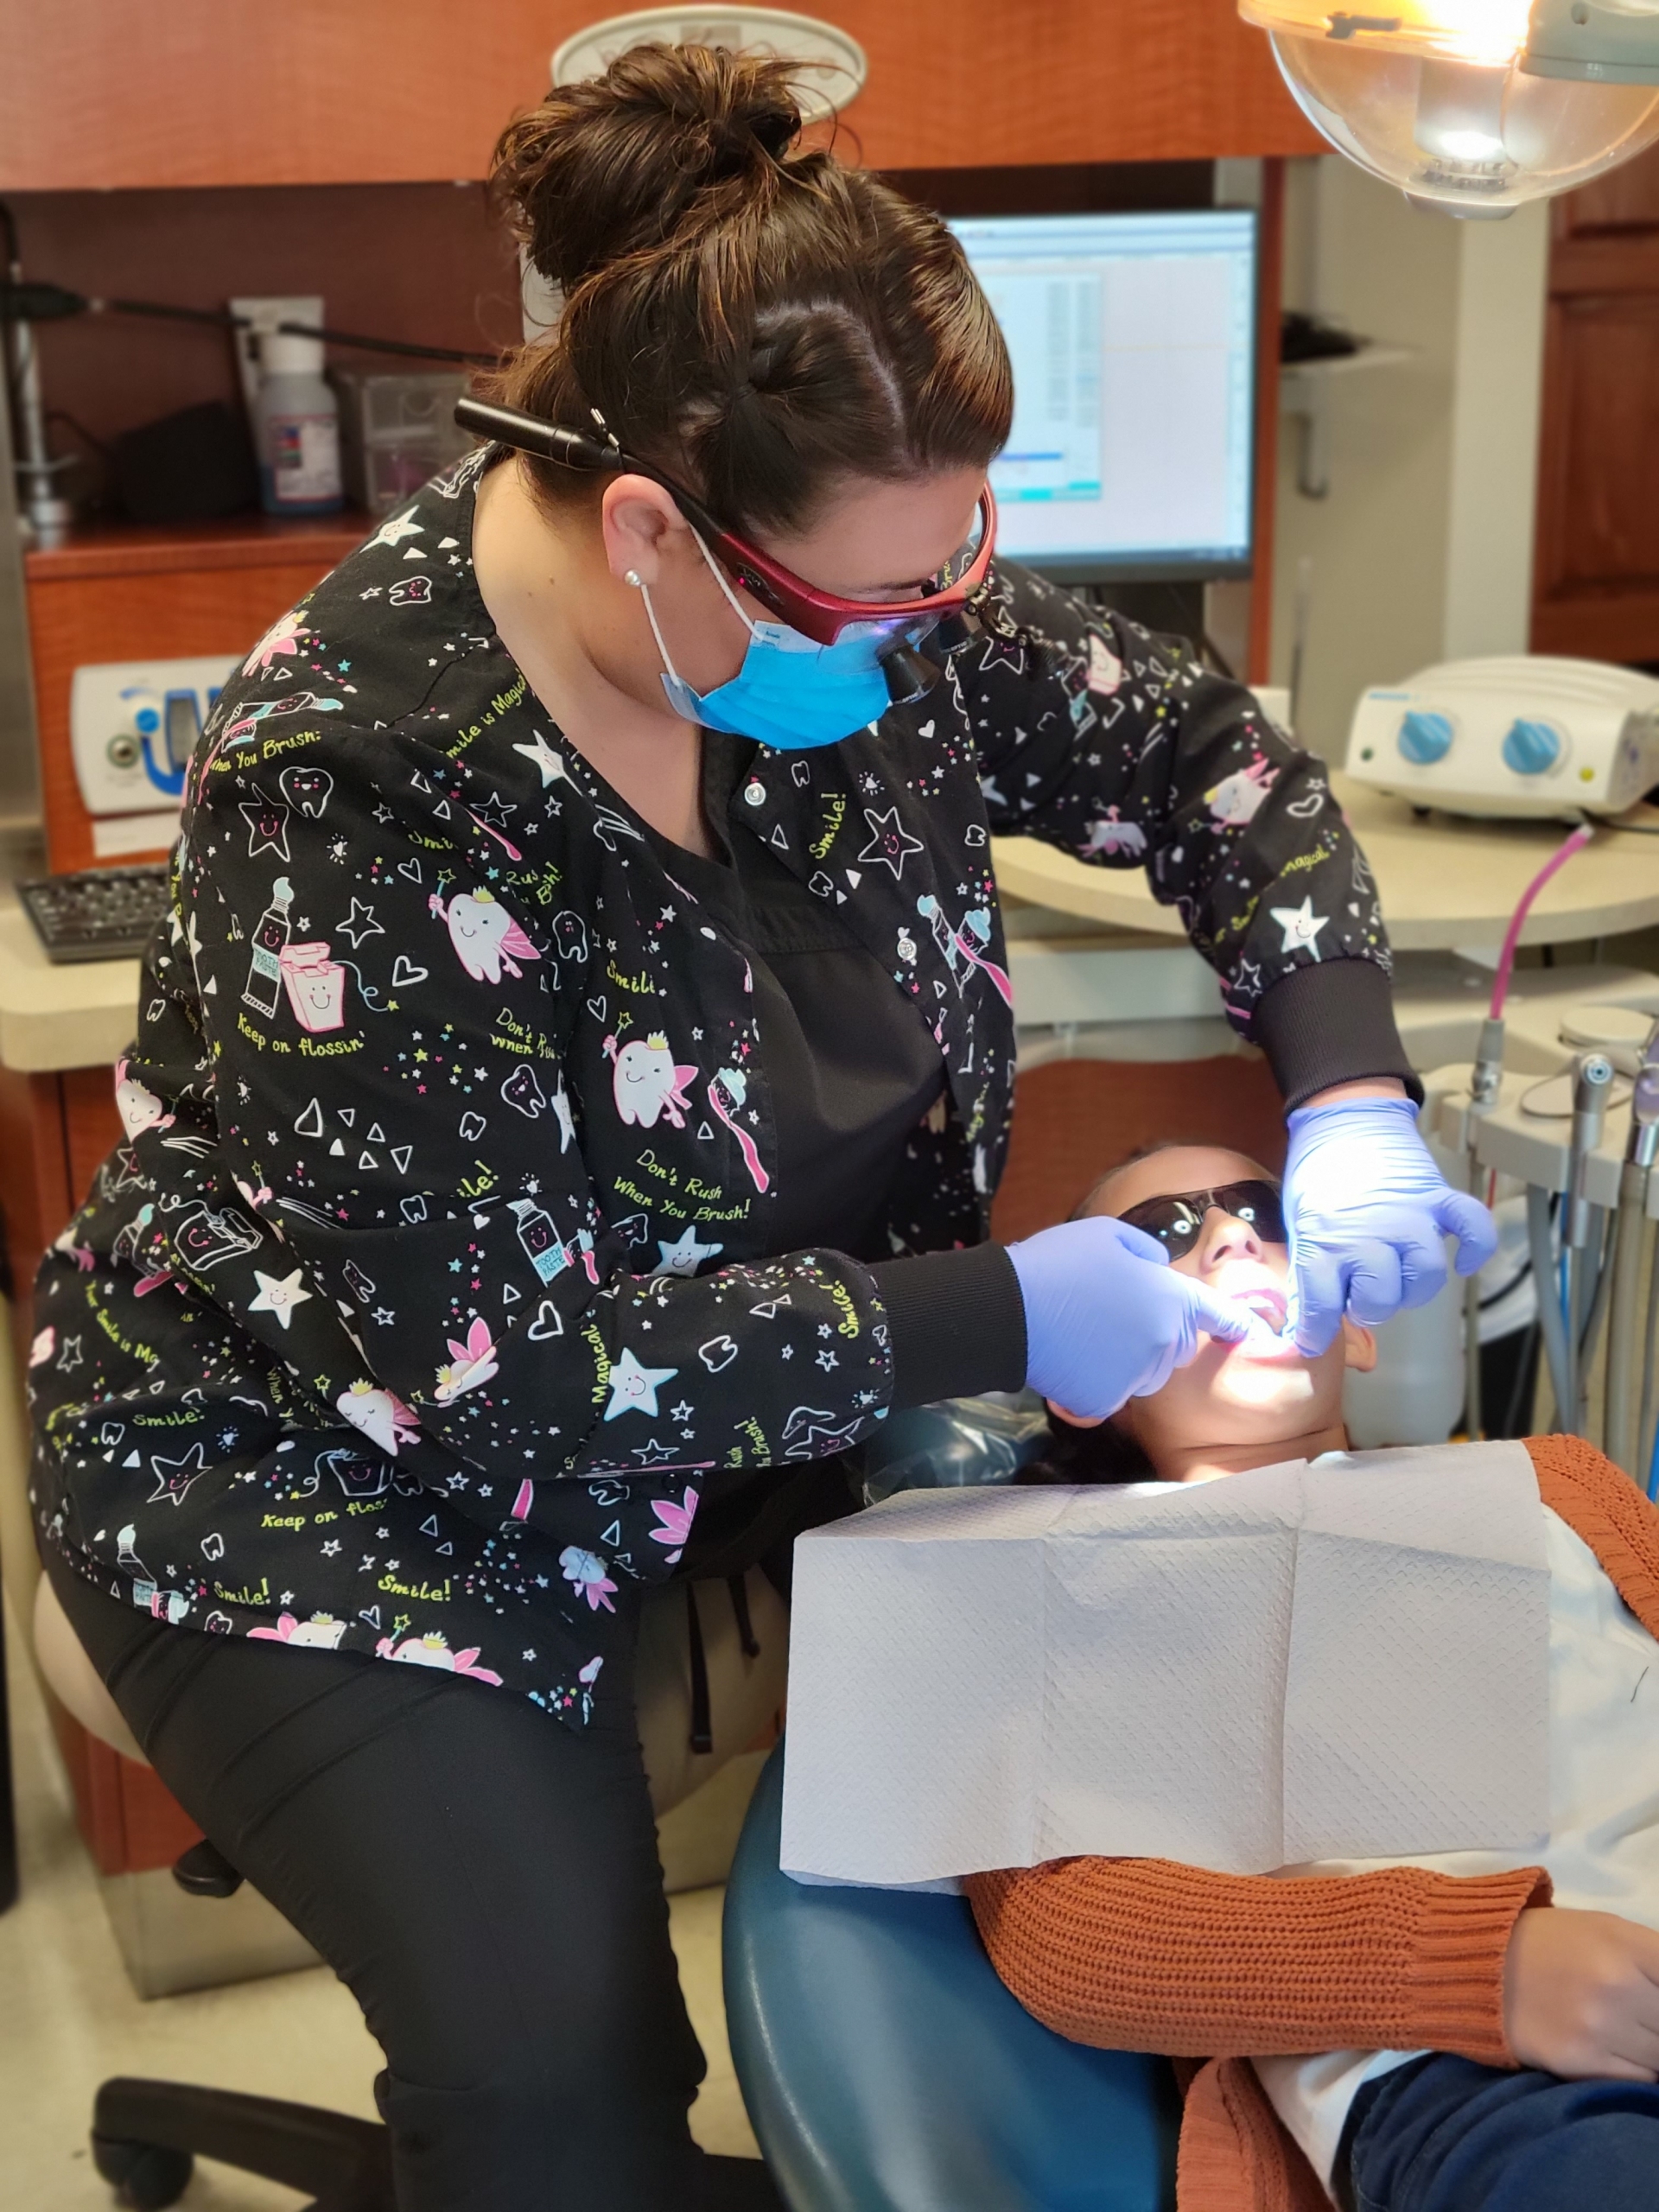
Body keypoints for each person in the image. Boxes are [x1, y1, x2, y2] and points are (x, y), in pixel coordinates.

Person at [28, 43, 1493, 2212]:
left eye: (958, 576)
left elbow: (1210, 764)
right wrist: (1002, 1309)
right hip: (325, 1478)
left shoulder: (843, 606)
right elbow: (500, 1370)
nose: (924, 651)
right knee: (561, 2082)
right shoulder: (357, 786)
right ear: (648, 531)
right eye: (874, 608)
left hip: (760, 1405)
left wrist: (1349, 1084)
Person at [970, 1144, 1659, 2212]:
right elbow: (1064, 1931)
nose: (1235, 1236)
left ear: (1361, 1318)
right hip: (1474, 2082)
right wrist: (1485, 1968)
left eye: (1262, 1211)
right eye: (1164, 1231)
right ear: (1083, 1375)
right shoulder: (1069, 1587)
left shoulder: (1556, 1482)